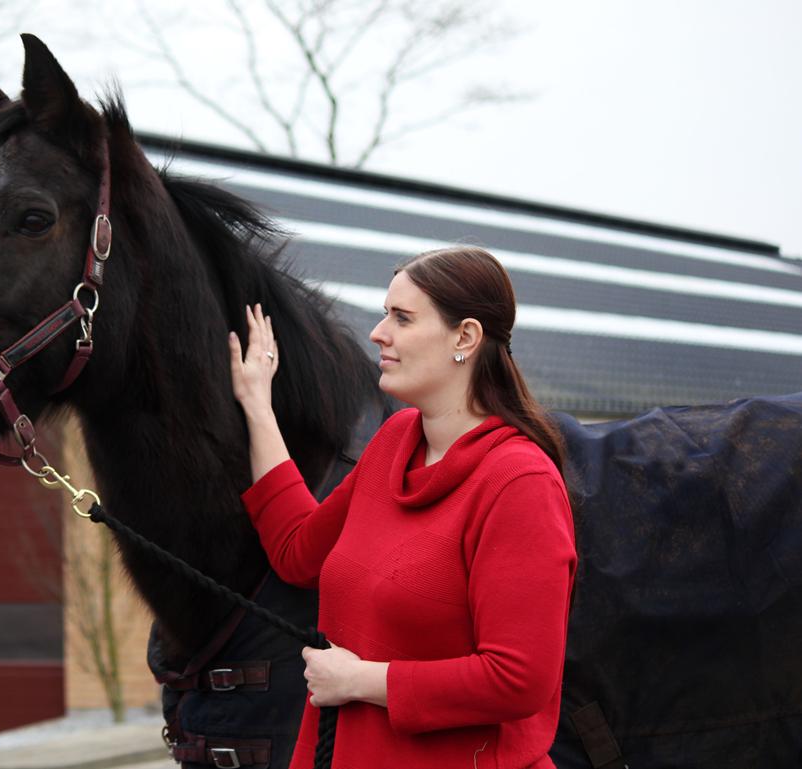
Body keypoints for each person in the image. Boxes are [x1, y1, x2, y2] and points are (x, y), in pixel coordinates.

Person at [227, 246, 577, 769]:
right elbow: (298, 550)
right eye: (385, 313)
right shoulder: (395, 442)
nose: (377, 332)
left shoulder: (519, 484)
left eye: (402, 318)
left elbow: (519, 680)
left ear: (465, 337)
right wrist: (257, 402)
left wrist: (361, 681)